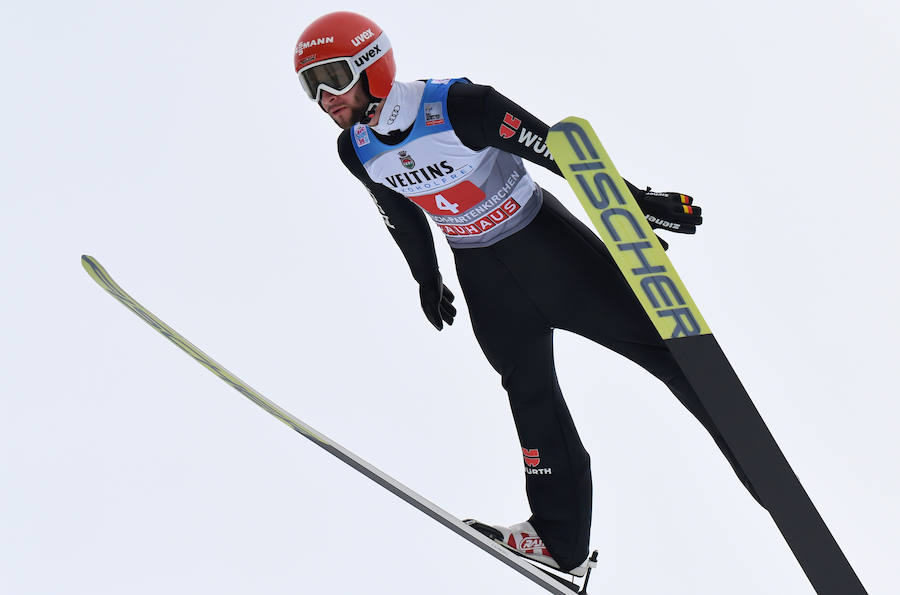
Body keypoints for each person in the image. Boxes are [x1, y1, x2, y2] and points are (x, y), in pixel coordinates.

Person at [294, 11, 760, 576]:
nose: (325, 97)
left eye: (334, 76)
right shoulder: (358, 149)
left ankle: (759, 463)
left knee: (665, 353)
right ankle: (561, 544)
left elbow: (558, 151)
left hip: (550, 251)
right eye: (310, 85)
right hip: (486, 283)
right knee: (530, 397)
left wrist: (637, 201)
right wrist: (426, 276)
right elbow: (399, 214)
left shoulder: (458, 104)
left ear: (374, 67)